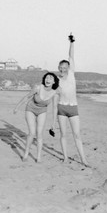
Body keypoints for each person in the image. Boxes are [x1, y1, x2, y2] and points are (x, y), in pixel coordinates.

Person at [56, 33, 89, 167]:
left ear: (69, 68)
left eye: (65, 67)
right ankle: (65, 157)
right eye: (61, 67)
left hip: (73, 108)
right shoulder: (57, 79)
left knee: (77, 135)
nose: (63, 68)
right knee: (63, 134)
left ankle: (83, 159)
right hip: (61, 109)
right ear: (59, 68)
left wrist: (72, 42)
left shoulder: (71, 74)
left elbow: (71, 56)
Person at [14, 72, 60, 162]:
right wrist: (17, 107)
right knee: (31, 133)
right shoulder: (38, 88)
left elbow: (55, 108)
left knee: (39, 134)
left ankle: (38, 157)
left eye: (50, 78)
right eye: (46, 78)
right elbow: (27, 97)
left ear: (54, 82)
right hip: (30, 109)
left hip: (42, 111)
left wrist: (53, 123)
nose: (48, 79)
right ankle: (26, 154)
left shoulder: (54, 93)